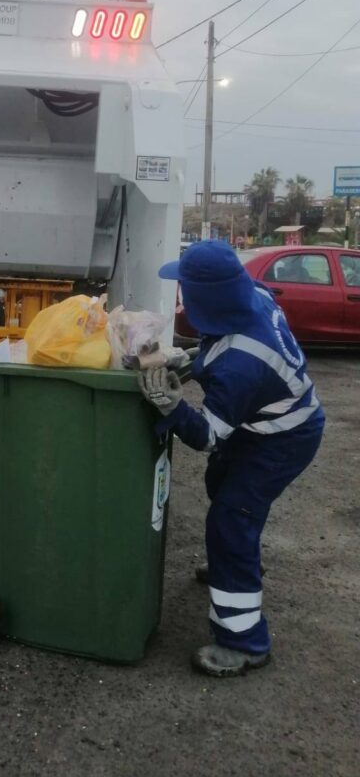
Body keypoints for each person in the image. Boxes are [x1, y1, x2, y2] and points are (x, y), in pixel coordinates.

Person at [138, 240, 324, 677]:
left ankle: (244, 642)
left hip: (284, 439)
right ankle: (234, 563)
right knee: (220, 483)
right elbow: (222, 339)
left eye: (186, 287)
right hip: (264, 425)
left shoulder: (243, 365)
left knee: (231, 519)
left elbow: (206, 437)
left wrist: (171, 405)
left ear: (208, 295)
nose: (182, 294)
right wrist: (188, 360)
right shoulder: (252, 295)